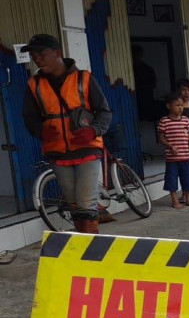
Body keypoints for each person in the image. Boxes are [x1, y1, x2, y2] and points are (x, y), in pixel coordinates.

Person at [22, 34, 112, 234]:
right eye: (33, 55)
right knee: (73, 205)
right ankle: (83, 249)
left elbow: (104, 111)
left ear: (57, 53)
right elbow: (29, 118)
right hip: (57, 153)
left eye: (41, 53)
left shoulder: (84, 78)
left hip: (86, 149)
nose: (37, 58)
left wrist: (93, 130)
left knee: (86, 203)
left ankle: (92, 250)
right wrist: (41, 131)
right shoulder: (34, 84)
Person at [158, 93, 189, 209]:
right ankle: (175, 201)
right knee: (171, 180)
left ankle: (188, 199)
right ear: (169, 106)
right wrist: (170, 146)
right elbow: (161, 138)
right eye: (177, 105)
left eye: (181, 105)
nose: (180, 107)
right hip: (172, 158)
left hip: (186, 157)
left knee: (188, 179)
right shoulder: (164, 121)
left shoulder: (186, 120)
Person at [132, 45, 157, 121]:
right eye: (134, 54)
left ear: (141, 55)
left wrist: (140, 87)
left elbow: (154, 85)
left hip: (146, 100)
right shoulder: (128, 69)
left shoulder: (148, 69)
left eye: (138, 54)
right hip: (133, 100)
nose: (136, 57)